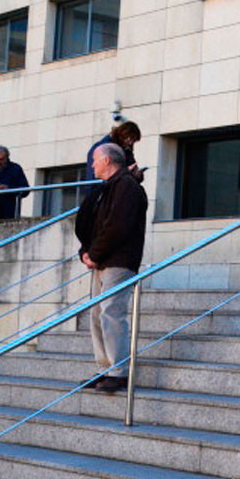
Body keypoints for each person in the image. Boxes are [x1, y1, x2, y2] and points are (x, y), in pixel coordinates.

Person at [75, 143, 148, 393]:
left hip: (118, 260)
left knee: (111, 312)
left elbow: (118, 226)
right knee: (97, 314)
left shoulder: (127, 187)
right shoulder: (106, 189)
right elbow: (91, 224)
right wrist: (85, 251)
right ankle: (106, 367)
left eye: (95, 160)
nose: (92, 165)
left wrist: (94, 254)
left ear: (107, 160)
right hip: (102, 259)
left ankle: (119, 370)